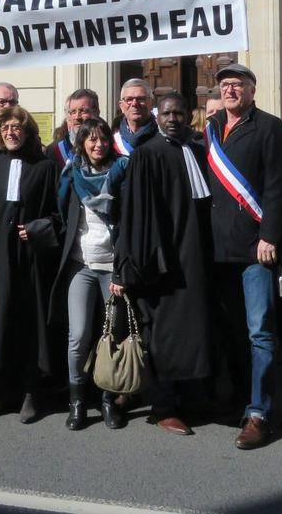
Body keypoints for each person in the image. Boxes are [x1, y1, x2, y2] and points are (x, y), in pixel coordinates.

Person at [204, 63, 282, 450]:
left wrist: (269, 234)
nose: (230, 90)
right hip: (216, 248)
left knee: (260, 331)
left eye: (237, 85)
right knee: (229, 330)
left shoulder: (270, 127)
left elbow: (278, 186)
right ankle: (238, 400)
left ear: (252, 91)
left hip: (255, 248)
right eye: (225, 85)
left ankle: (260, 412)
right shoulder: (210, 130)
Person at [116, 93, 215, 437]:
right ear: (158, 116)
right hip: (164, 259)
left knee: (193, 329)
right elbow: (138, 214)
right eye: (168, 113)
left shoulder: (197, 150)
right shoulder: (147, 154)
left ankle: (190, 397)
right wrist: (142, 262)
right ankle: (163, 406)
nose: (173, 118)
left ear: (189, 116)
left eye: (179, 113)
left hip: (197, 256)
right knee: (164, 334)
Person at [0, 106, 61, 423]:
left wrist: (38, 228)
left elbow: (59, 213)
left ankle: (31, 392)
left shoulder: (45, 166)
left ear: (27, 132)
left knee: (30, 323)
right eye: (6, 127)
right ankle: (2, 392)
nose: (11, 132)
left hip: (31, 260)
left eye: (17, 127)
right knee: (0, 324)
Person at [50, 116, 130, 430]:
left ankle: (108, 400)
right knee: (78, 336)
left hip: (112, 268)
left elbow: (130, 221)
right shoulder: (72, 173)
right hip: (80, 265)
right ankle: (78, 401)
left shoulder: (123, 170)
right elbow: (59, 212)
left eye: (103, 139)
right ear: (82, 142)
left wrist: (123, 271)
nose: (98, 145)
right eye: (91, 139)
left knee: (110, 336)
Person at [47, 88, 100, 169]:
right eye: (73, 112)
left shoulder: (108, 146)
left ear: (96, 113)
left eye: (83, 111)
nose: (77, 117)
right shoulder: (55, 150)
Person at [114, 78, 158, 157]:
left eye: (141, 99)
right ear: (121, 106)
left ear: (152, 103)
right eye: (129, 99)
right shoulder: (113, 142)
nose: (134, 104)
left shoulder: (163, 137)